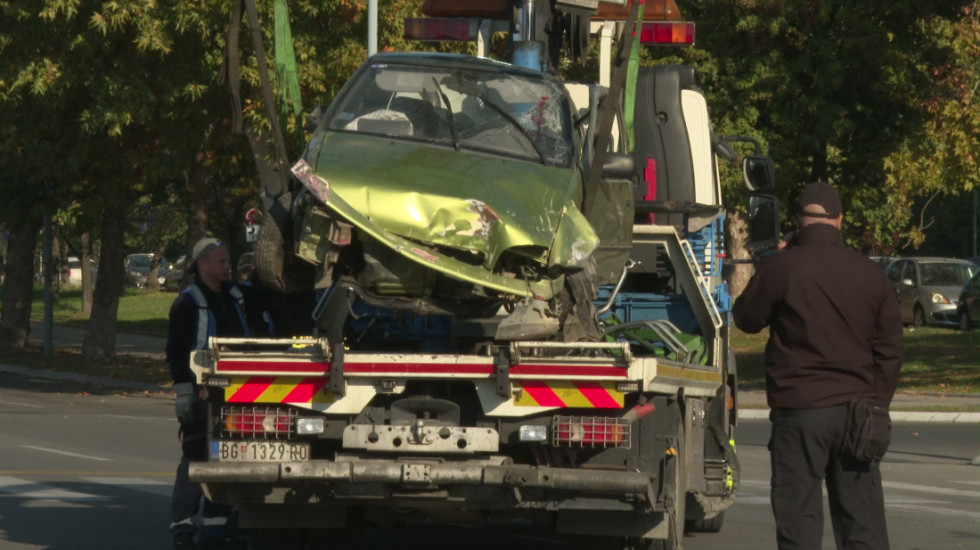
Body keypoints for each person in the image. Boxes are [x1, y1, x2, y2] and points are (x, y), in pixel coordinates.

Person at [732, 181, 903, 550]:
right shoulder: (872, 275)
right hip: (859, 412)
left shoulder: (783, 267)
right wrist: (877, 403)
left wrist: (777, 260)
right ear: (839, 220)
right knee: (862, 525)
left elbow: (745, 318)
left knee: (800, 525)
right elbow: (889, 351)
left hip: (800, 411)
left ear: (797, 222)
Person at [166, 238, 250, 550]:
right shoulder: (189, 302)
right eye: (222, 261)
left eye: (228, 262)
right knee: (196, 455)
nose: (228, 267)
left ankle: (216, 526)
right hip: (202, 393)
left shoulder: (234, 296)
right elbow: (176, 351)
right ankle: (183, 525)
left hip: (236, 391)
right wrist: (184, 392)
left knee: (227, 457)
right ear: (202, 264)